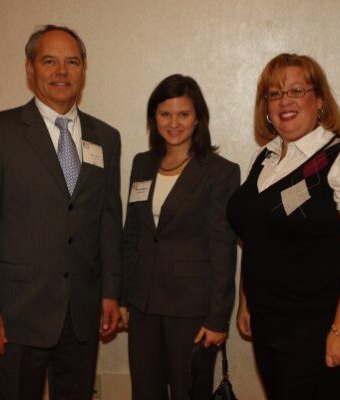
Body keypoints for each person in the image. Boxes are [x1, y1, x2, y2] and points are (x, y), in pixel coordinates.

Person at [0, 25, 122, 400]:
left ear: (84, 70)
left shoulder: (106, 137)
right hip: (16, 314)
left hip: (81, 313)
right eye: (49, 61)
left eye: (72, 62)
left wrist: (111, 292)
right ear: (30, 68)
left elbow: (108, 221)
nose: (62, 71)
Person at [227, 53, 340, 399]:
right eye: (275, 93)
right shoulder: (264, 159)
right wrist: (246, 300)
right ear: (265, 106)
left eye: (297, 90)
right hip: (269, 319)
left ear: (320, 100)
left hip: (319, 322)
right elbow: (256, 236)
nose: (285, 101)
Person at [120, 74, 240, 400]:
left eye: (183, 114)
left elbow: (223, 248)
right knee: (145, 392)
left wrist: (218, 318)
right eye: (165, 114)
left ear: (198, 117)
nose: (174, 123)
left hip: (192, 309)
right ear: (153, 118)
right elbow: (132, 234)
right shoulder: (142, 164)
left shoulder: (220, 172)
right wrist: (121, 297)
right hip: (143, 305)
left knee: (190, 393)